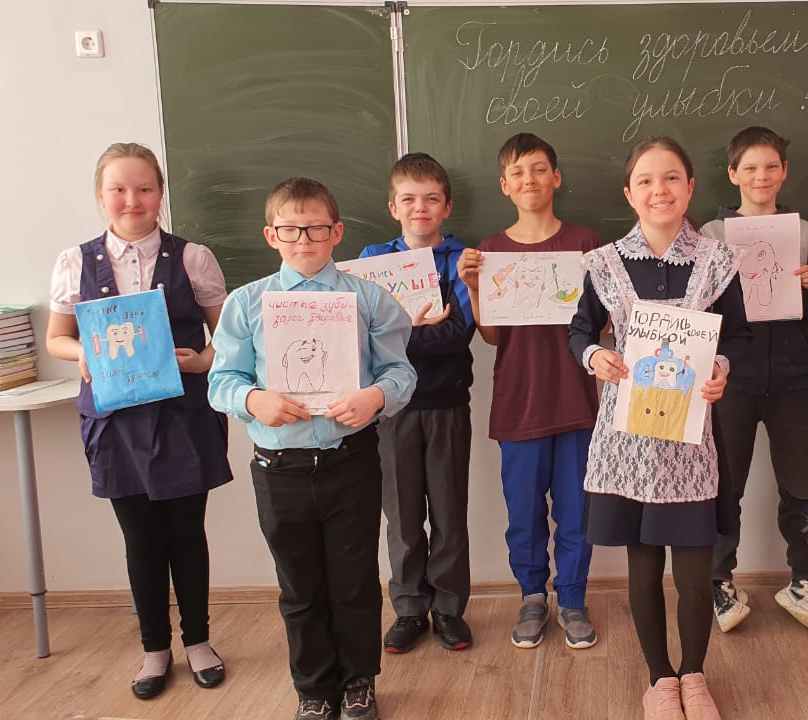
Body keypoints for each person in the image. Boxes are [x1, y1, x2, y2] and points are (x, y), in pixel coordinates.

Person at [208, 177, 417, 720]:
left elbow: (400, 372)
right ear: (270, 235)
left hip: (350, 461)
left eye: (316, 228)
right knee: (298, 586)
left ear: (337, 232)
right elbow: (220, 381)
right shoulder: (245, 303)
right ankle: (313, 689)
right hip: (279, 466)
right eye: (291, 229)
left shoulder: (369, 299)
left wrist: (376, 396)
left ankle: (359, 681)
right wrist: (253, 400)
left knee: (353, 581)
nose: (304, 239)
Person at [570, 136, 750, 720]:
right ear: (629, 193)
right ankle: (659, 679)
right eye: (645, 181)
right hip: (627, 438)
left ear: (690, 187)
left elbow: (739, 335)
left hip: (691, 438)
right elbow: (579, 331)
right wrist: (595, 356)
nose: (659, 190)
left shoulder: (717, 261)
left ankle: (694, 675)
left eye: (671, 178)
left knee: (695, 566)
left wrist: (721, 369)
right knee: (643, 563)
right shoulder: (604, 262)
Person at [45, 142, 231, 701]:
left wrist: (201, 361)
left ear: (160, 193)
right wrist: (82, 353)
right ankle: (155, 649)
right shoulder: (74, 261)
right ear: (100, 196)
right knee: (140, 540)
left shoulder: (193, 258)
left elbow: (228, 336)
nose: (132, 200)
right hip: (114, 422)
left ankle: (199, 641)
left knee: (187, 534)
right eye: (119, 190)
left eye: (144, 189)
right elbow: (57, 338)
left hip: (182, 417)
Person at [456, 133, 601, 650]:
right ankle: (532, 596)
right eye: (517, 172)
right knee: (523, 513)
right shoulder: (491, 250)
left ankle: (574, 598)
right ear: (504, 185)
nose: (529, 180)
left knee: (577, 512)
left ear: (556, 177)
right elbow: (493, 336)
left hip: (577, 400)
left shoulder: (586, 243)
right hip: (519, 401)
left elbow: (604, 328)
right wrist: (474, 288)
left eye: (539, 169)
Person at [697, 126, 808, 633]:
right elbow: (698, 312)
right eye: (750, 168)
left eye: (771, 167)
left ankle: (804, 579)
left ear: (784, 172)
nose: (761, 176)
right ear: (733, 174)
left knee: (799, 487)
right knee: (724, 486)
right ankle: (719, 580)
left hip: (793, 381)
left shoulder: (805, 233)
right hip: (731, 382)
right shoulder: (711, 235)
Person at [359, 153, 478, 652]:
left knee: (448, 513)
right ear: (393, 207)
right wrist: (416, 329)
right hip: (391, 408)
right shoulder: (372, 261)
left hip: (446, 402)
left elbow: (458, 334)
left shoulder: (463, 260)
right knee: (402, 515)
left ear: (446, 207)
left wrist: (399, 332)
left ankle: (448, 608)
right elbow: (363, 337)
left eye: (431, 199)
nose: (420, 208)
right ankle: (409, 609)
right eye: (408, 199)